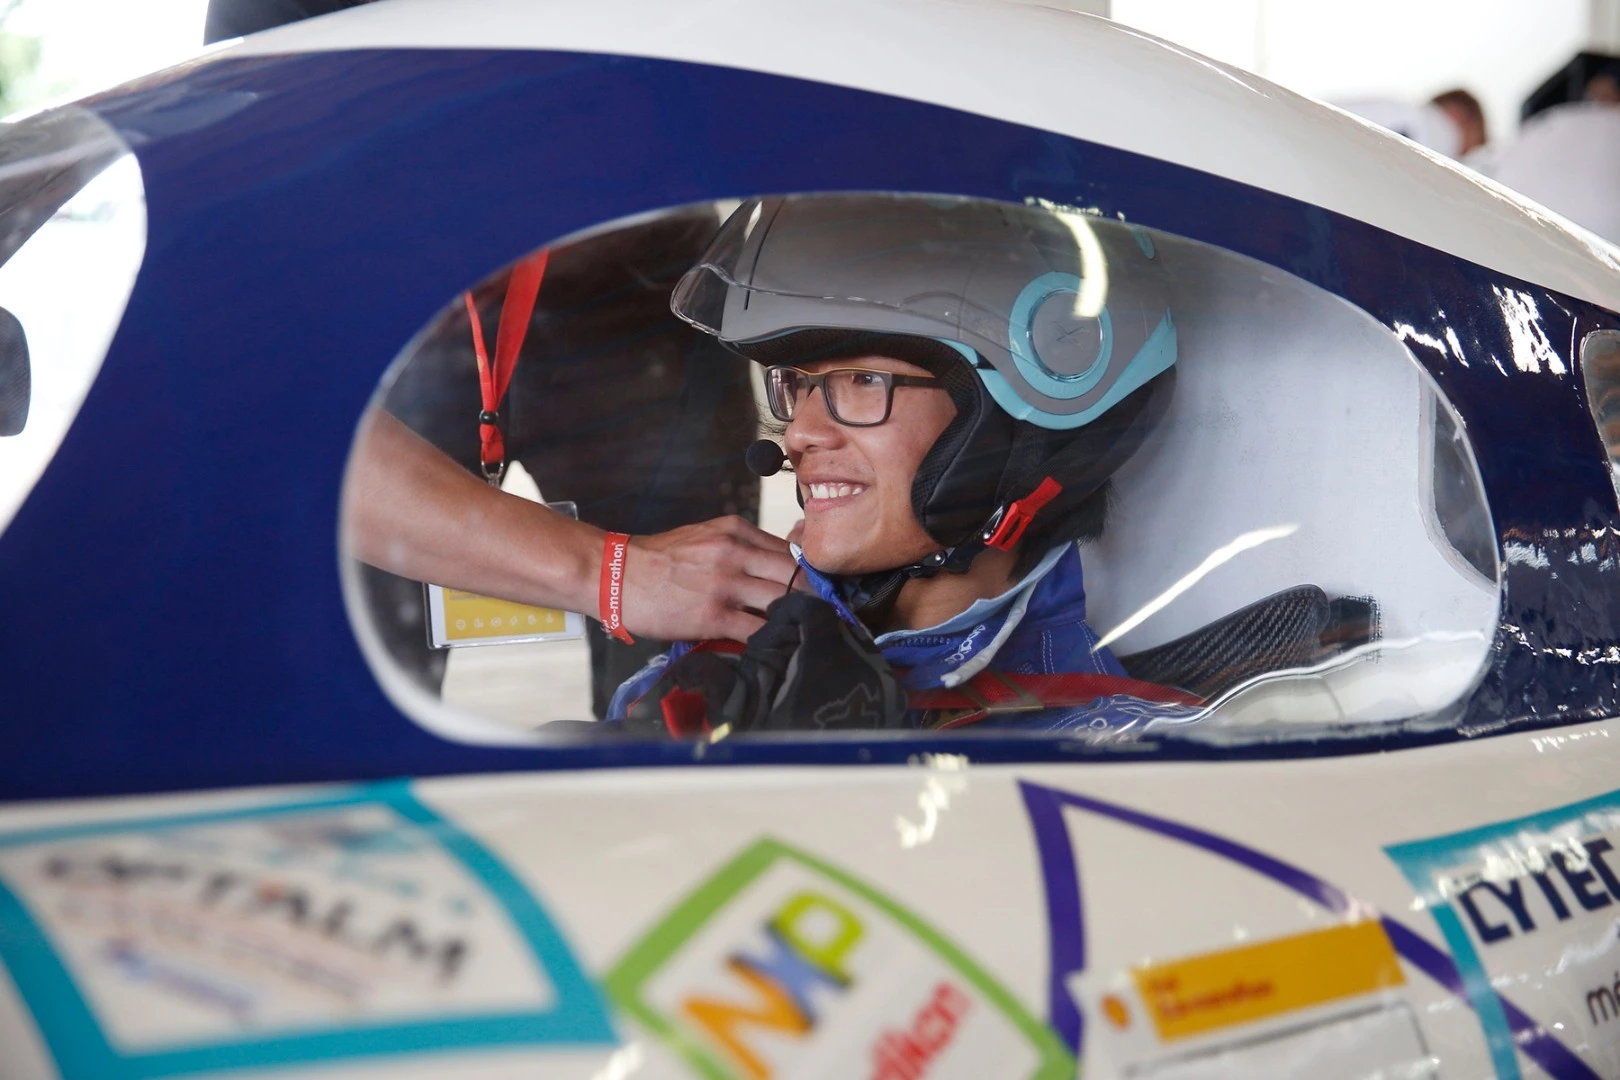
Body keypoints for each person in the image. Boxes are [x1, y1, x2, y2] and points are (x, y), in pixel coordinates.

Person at [606, 194, 1206, 735]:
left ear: (1017, 427)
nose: (800, 435)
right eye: (798, 387)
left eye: (864, 380)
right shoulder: (730, 655)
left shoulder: (1127, 750)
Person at [1337, 88, 1487, 159]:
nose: (1461, 158)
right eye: (1467, 150)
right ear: (1460, 117)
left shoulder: (1394, 107)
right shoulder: (1434, 127)